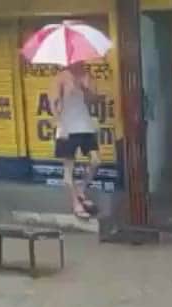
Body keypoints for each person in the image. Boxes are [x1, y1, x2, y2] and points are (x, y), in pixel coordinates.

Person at [50, 61, 100, 220]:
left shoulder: (85, 76)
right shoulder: (60, 78)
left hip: (84, 125)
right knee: (69, 170)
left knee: (96, 160)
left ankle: (81, 190)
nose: (81, 62)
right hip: (67, 127)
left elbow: (94, 101)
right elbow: (53, 102)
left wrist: (87, 89)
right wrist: (59, 123)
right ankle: (76, 203)